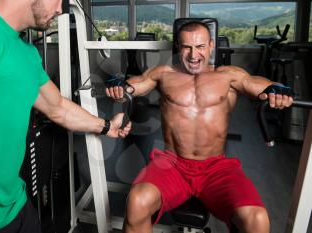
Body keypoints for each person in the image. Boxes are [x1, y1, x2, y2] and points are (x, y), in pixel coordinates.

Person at [106, 21, 294, 233]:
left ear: (211, 45)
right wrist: (119, 84)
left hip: (216, 168)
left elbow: (255, 83)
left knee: (257, 219)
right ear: (178, 46)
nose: (193, 54)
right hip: (172, 163)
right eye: (187, 47)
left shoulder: (228, 75)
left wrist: (276, 88)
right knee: (136, 202)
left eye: (200, 46)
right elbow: (135, 84)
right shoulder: (163, 73)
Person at [0, 0, 131, 232]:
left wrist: (106, 126)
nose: (61, 10)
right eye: (60, 0)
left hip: (13, 207)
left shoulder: (26, 53)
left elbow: (57, 107)